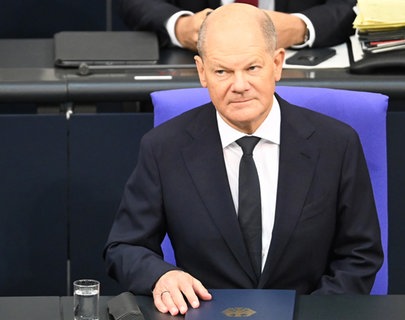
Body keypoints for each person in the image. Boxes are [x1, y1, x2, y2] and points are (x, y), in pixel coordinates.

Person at [104, 3, 382, 316]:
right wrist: (161, 276)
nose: (239, 86)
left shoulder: (336, 144)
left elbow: (359, 255)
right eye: (222, 71)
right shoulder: (164, 147)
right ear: (202, 72)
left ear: (277, 64)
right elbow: (125, 246)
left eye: (252, 68)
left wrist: (311, 313)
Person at [116, 0, 357, 50]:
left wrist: (300, 27)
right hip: (195, 79)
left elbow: (353, 4)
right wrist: (180, 26)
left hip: (302, 79)